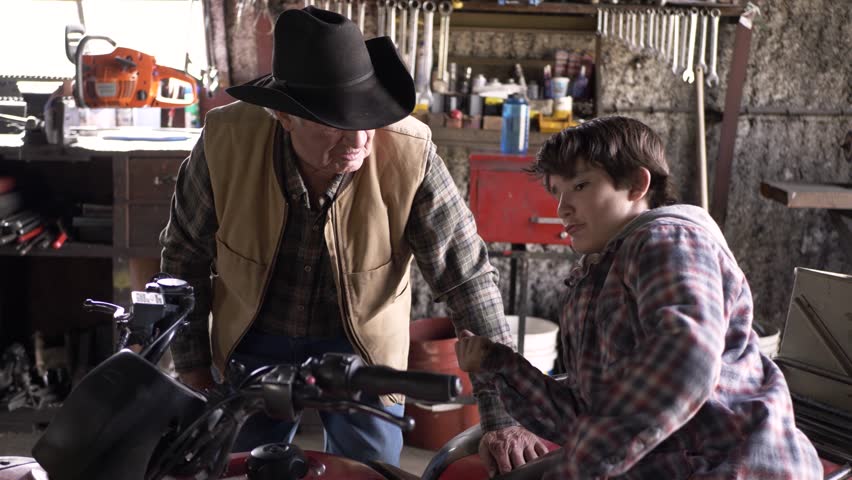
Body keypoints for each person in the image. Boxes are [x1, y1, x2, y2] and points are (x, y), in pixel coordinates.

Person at [159, 5, 545, 473]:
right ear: (284, 116)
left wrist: (502, 414)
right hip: (250, 338)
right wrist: (196, 374)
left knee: (369, 471)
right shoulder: (225, 141)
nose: (359, 139)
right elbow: (183, 259)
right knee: (243, 464)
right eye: (333, 123)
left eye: (367, 118)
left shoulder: (410, 151)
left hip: (362, 347)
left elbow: (467, 280)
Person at [455, 116, 823, 479]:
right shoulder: (599, 276)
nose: (562, 208)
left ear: (636, 184)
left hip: (731, 464)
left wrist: (581, 464)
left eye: (580, 186)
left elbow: (686, 359)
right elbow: (587, 415)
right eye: (557, 192)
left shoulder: (667, 240)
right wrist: (499, 365)